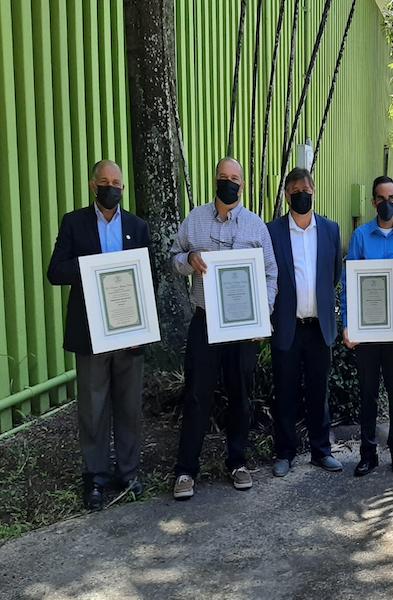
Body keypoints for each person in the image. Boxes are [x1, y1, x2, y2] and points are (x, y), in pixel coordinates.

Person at [170, 157, 278, 500]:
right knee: (198, 396)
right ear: (214, 180)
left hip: (242, 329)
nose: (228, 183)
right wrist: (189, 260)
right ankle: (186, 470)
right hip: (204, 323)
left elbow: (270, 275)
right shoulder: (195, 220)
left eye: (235, 178)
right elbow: (174, 257)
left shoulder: (256, 227)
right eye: (223, 177)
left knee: (240, 397)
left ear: (242, 185)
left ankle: (238, 462)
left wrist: (263, 314)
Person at [47, 160, 152, 510]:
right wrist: (91, 268)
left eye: (117, 182)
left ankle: (129, 472)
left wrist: (145, 328)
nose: (112, 188)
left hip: (129, 332)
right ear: (93, 186)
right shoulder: (74, 223)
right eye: (105, 182)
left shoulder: (137, 227)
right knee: (92, 408)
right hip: (90, 333)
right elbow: (55, 271)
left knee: (128, 406)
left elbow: (147, 281)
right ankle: (95, 478)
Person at [341, 176, 393, 478]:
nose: (387, 203)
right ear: (373, 202)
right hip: (366, 322)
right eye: (381, 198)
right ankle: (367, 453)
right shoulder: (361, 237)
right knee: (368, 389)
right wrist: (348, 324)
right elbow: (349, 283)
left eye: (392, 198)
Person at [267, 167, 343, 477]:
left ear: (314, 192)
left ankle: (320, 450)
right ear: (287, 196)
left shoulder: (330, 230)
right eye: (295, 191)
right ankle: (285, 452)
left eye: (306, 191)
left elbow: (335, 273)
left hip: (318, 326)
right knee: (284, 392)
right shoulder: (271, 232)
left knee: (317, 392)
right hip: (287, 326)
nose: (302, 196)